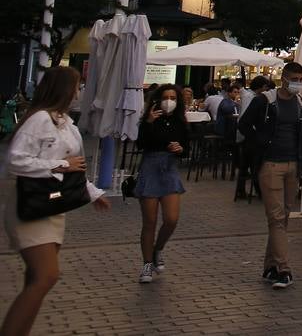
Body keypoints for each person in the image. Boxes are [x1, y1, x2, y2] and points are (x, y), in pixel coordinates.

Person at [1, 66, 110, 336]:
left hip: (53, 205)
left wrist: (93, 193)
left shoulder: (66, 123)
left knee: (36, 279)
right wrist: (61, 164)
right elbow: (15, 160)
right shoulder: (39, 119)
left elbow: (77, 167)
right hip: (31, 204)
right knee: (46, 275)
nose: (78, 92)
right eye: (76, 87)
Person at [237, 61, 302, 289]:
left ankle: (269, 266)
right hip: (270, 164)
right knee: (278, 217)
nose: (298, 83)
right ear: (284, 78)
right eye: (294, 79)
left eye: (301, 79)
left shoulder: (301, 105)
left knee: (282, 218)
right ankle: (283, 268)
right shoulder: (265, 101)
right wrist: (261, 141)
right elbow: (244, 125)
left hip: (293, 165)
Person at [134, 84, 189, 284]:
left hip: (169, 170)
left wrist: (179, 148)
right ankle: (147, 263)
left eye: (173, 97)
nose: (169, 101)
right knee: (149, 222)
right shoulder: (149, 120)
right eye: (165, 97)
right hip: (150, 169)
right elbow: (140, 144)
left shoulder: (180, 122)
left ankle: (158, 248)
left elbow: (186, 148)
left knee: (171, 219)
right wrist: (149, 122)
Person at [235, 75, 270, 201]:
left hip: (246, 136)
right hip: (249, 138)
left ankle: (242, 190)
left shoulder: (249, 96)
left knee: (245, 164)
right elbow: (245, 119)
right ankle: (256, 189)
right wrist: (255, 135)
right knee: (254, 163)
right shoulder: (252, 98)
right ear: (261, 87)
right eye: (265, 87)